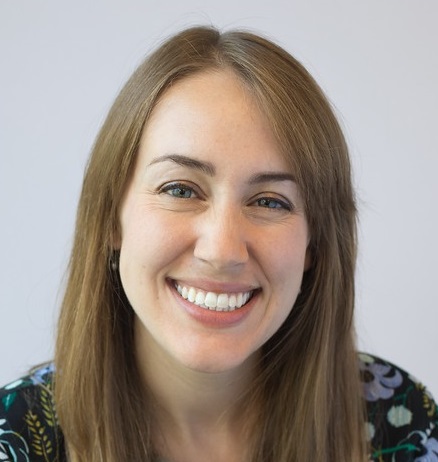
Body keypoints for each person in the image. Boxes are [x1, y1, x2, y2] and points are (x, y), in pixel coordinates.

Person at [0, 25, 437, 462]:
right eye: (180, 190)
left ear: (314, 247)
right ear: (113, 218)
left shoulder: (400, 420)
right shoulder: (13, 436)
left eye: (270, 201)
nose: (222, 249)